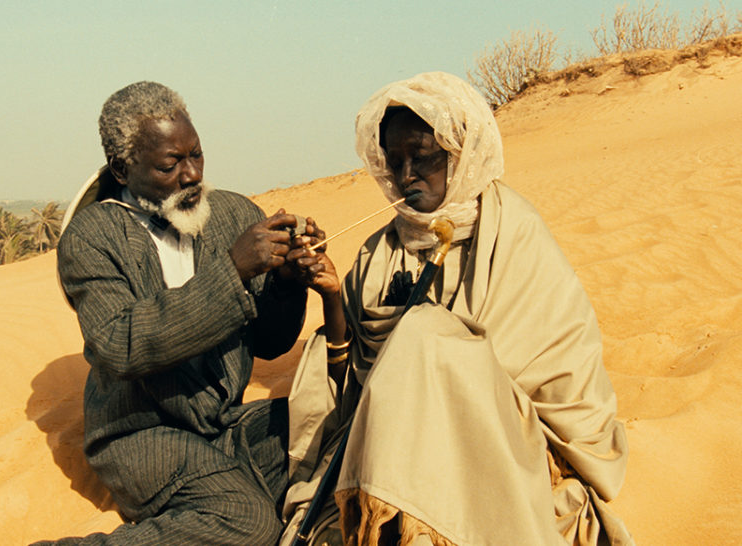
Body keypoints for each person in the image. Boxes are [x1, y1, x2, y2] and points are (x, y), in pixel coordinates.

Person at [281, 72, 632, 545]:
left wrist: (429, 347)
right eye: (395, 161)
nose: (407, 175)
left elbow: (551, 385)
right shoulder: (378, 253)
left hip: (505, 443)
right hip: (395, 443)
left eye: (423, 156)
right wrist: (331, 295)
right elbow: (355, 388)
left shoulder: (514, 236)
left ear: (460, 153)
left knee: (426, 333)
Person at [39, 81, 319, 545]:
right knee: (248, 523)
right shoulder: (92, 237)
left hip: (227, 425)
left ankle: (219, 506)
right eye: (170, 165)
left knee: (335, 423)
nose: (192, 175)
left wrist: (287, 285)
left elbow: (271, 344)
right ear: (122, 169)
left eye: (197, 155)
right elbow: (121, 345)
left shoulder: (233, 214)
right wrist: (233, 271)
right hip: (143, 436)